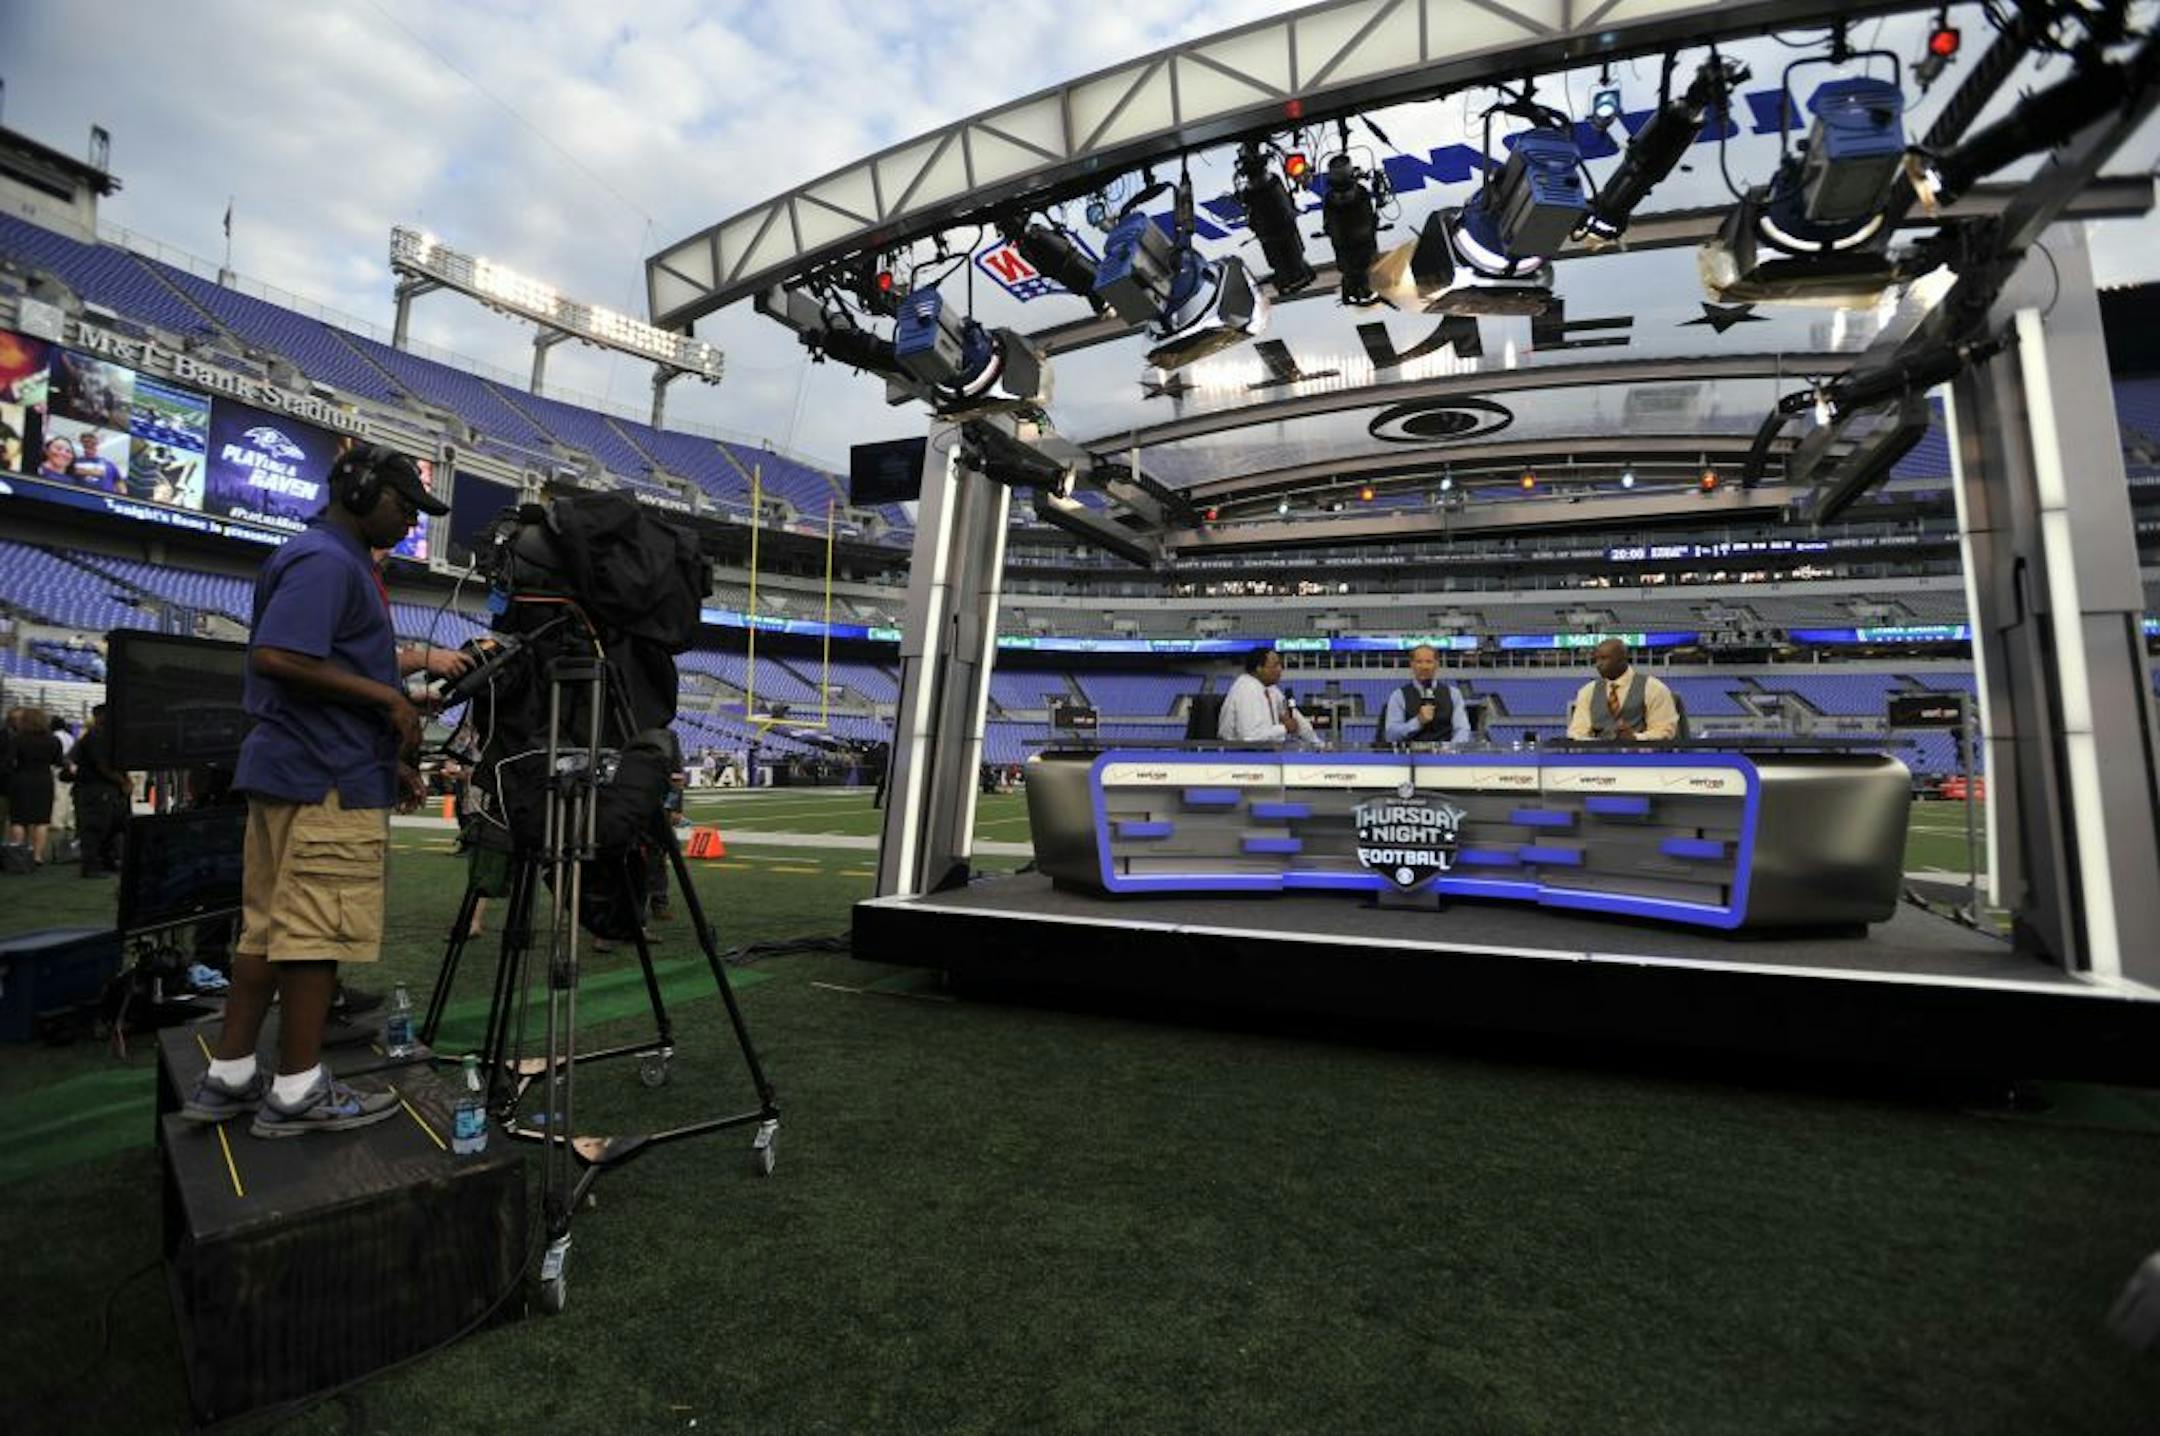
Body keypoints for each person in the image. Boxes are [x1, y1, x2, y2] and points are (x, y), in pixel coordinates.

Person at [180, 444, 454, 1139]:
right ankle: (297, 1089)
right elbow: (278, 656)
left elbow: (314, 669)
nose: (408, 524)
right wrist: (390, 702)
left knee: (266, 931)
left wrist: (386, 757)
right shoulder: (329, 560)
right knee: (312, 937)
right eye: (402, 506)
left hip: (303, 765)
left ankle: (231, 1074)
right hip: (320, 777)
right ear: (360, 492)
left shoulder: (331, 557)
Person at [1566, 639, 1680, 742]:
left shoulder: (1654, 688)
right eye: (1596, 659)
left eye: (1604, 658)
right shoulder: (1587, 691)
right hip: (1599, 759)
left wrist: (1636, 738)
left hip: (1643, 760)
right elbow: (1577, 732)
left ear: (1622, 659)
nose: (1598, 664)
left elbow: (1665, 731)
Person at [71, 704, 129, 878]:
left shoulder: (101, 735)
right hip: (95, 788)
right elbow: (102, 765)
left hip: (104, 788)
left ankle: (106, 862)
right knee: (95, 828)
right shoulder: (97, 736)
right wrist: (122, 781)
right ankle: (91, 866)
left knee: (110, 826)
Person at [1218, 647, 1319, 746]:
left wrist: (1317, 742)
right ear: (1259, 669)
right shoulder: (1246, 689)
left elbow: (1295, 718)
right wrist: (1284, 728)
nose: (1280, 669)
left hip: (1266, 754)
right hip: (1239, 756)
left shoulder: (1271, 689)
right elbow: (1250, 738)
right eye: (1275, 666)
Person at [1381, 644, 1472, 745]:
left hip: (1445, 756)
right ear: (1412, 664)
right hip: (1410, 757)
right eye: (1419, 662)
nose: (1424, 667)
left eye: (1429, 662)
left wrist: (1450, 749)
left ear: (1437, 664)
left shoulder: (1454, 694)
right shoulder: (1398, 696)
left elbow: (1462, 729)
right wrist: (1418, 721)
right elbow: (1391, 735)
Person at [5, 708, 63, 863]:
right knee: (42, 820)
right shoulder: (53, 739)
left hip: (21, 779)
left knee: (18, 819)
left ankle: (17, 854)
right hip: (44, 780)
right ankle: (37, 856)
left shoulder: (17, 739)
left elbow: (9, 761)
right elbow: (58, 762)